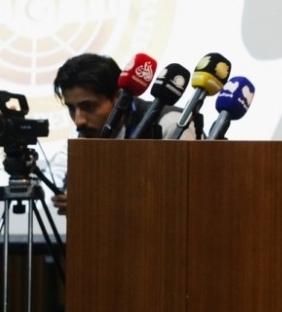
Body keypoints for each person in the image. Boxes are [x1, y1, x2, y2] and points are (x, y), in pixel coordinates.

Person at [51, 53, 195, 214]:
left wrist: (94, 203)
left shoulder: (170, 123)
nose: (79, 120)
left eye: (89, 107)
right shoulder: (86, 136)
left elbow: (183, 200)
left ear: (119, 97)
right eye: (71, 108)